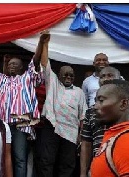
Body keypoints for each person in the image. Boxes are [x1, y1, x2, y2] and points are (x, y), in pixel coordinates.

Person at [0, 33, 46, 177]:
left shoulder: (26, 78)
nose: (11, 66)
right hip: (0, 124)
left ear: (22, 68)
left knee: (20, 158)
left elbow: (35, 62)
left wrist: (40, 43)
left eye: (15, 64)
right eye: (10, 64)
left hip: (20, 125)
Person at [80, 66, 129, 177]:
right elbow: (86, 144)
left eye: (110, 75)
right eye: (102, 76)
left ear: (124, 104)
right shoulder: (91, 113)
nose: (106, 79)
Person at [35, 32, 87, 177]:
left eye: (71, 75)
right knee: (46, 161)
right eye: (65, 74)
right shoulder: (53, 83)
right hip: (52, 126)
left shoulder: (79, 92)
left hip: (71, 131)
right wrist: (45, 44)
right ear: (59, 75)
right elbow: (45, 64)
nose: (68, 77)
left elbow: (82, 115)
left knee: (67, 164)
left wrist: (80, 135)